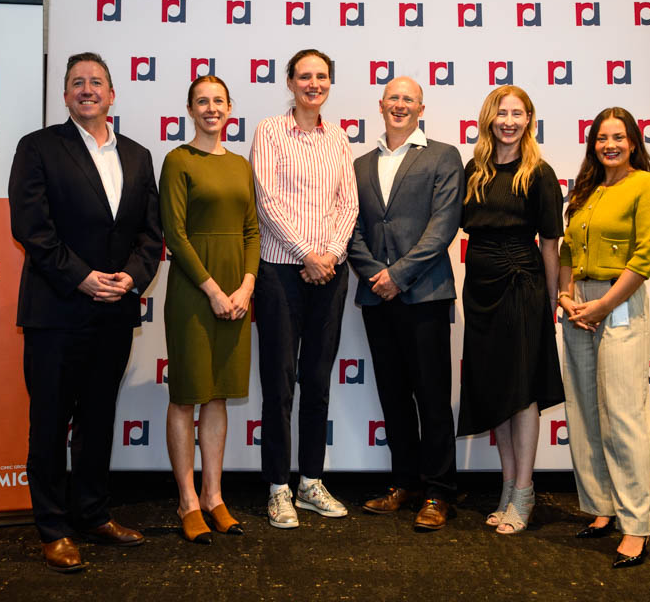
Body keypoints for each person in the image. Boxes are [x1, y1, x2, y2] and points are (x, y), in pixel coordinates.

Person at [9, 52, 163, 573]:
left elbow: (150, 234)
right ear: (66, 95)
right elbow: (32, 228)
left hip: (114, 312)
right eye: (77, 82)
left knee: (98, 420)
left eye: (96, 81)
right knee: (51, 423)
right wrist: (81, 276)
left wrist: (131, 278)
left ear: (112, 94)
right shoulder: (38, 148)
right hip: (56, 310)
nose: (87, 89)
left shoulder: (138, 156)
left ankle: (94, 514)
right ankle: (53, 528)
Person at [249, 48, 359, 529]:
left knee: (317, 381)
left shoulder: (338, 138)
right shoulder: (270, 131)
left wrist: (329, 254)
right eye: (304, 76)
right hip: (280, 272)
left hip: (330, 274)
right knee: (279, 384)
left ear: (329, 83)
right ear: (290, 82)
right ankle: (278, 487)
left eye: (322, 76)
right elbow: (267, 201)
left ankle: (310, 482)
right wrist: (306, 254)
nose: (314, 83)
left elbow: (348, 204)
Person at [348, 77, 463, 531]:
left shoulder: (443, 156)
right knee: (393, 396)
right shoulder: (359, 164)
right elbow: (350, 227)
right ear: (381, 105)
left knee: (432, 397)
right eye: (393, 98)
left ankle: (438, 492)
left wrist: (398, 275)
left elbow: (443, 226)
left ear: (421, 108)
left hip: (424, 293)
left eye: (408, 99)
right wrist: (375, 274)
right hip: (377, 296)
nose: (400, 105)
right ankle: (404, 483)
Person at [558, 107, 650, 569]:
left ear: (633, 142)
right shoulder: (586, 189)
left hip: (618, 301)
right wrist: (566, 297)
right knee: (584, 411)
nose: (610, 145)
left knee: (623, 416)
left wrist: (603, 305)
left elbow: (646, 257)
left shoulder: (646, 185)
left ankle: (636, 525)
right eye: (602, 138)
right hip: (579, 306)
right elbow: (566, 249)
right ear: (593, 144)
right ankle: (602, 507)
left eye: (618, 137)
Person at [456, 85, 565, 535]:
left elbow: (551, 244)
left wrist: (550, 304)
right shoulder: (474, 170)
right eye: (502, 113)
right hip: (480, 288)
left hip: (523, 286)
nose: (509, 121)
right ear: (489, 118)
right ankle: (507, 486)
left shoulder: (539, 173)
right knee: (496, 389)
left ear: (529, 120)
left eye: (517, 113)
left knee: (522, 393)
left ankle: (524, 491)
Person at [159, 76, 259, 545]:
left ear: (229, 108)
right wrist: (214, 291)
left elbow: (252, 231)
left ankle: (214, 496)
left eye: (218, 101)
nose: (211, 108)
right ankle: (187, 500)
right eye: (202, 101)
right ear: (190, 110)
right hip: (193, 294)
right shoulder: (178, 161)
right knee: (186, 396)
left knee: (218, 395)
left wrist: (246, 286)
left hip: (237, 295)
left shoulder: (240, 165)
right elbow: (175, 235)